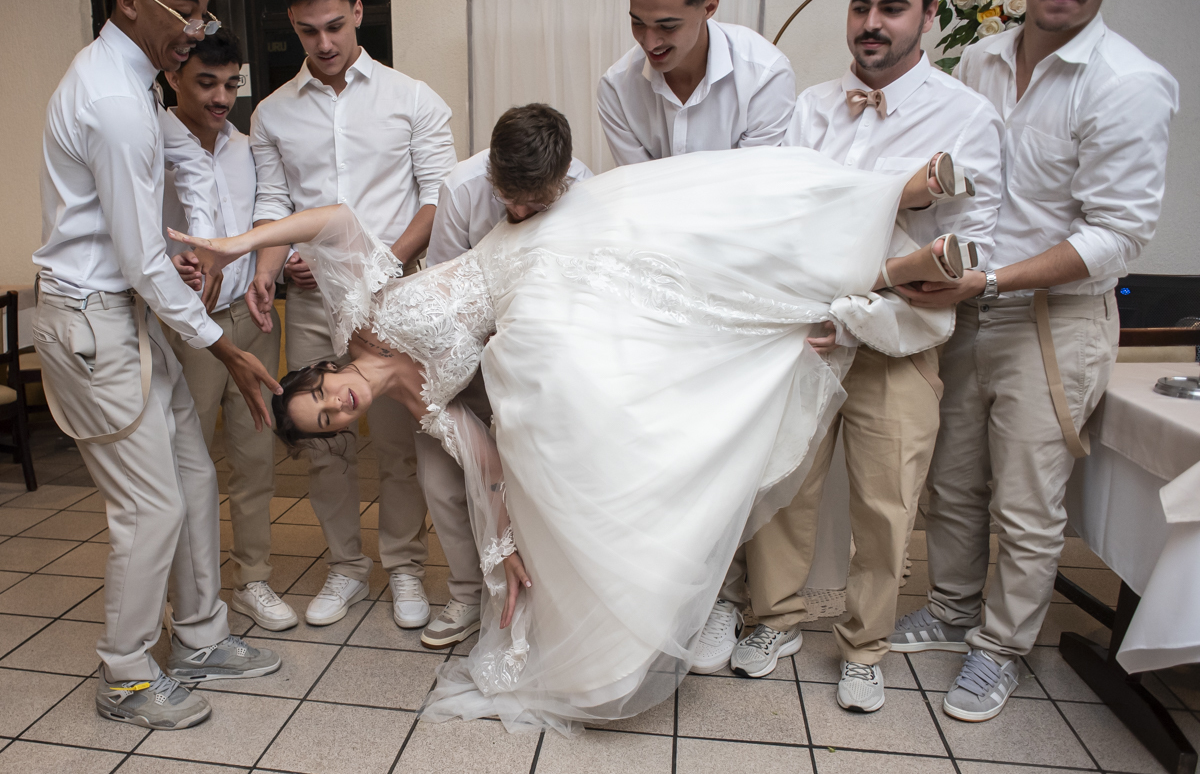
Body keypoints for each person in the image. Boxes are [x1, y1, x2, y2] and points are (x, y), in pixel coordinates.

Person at [178, 145, 976, 735]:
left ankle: (900, 195)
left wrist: (238, 246)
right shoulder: (427, 401)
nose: (338, 406)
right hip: (540, 309)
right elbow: (484, 467)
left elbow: (335, 221)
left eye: (319, 394)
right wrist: (506, 555)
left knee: (699, 233)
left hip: (534, 252)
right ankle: (891, 275)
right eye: (331, 421)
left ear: (318, 369)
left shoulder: (364, 310)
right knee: (681, 329)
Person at [887, 0, 1178, 722]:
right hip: (963, 304)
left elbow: (1119, 233)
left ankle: (1002, 644)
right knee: (950, 480)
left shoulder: (1128, 83)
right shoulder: (980, 58)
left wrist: (988, 282)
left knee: (1026, 496)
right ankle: (950, 607)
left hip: (1053, 316)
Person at [721, 0, 1003, 712]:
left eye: (892, 8)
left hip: (900, 342)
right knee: (783, 484)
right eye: (861, 6)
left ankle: (864, 645)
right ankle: (774, 617)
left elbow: (970, 249)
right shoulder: (810, 108)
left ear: (929, 14)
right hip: (807, 335)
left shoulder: (967, 116)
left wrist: (864, 270)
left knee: (887, 503)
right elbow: (780, 220)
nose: (872, 23)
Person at [32, 0, 281, 731]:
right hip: (95, 320)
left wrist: (166, 283)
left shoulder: (132, 85)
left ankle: (200, 635)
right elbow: (138, 257)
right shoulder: (114, 101)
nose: (199, 28)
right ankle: (128, 673)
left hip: (128, 311)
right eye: (188, 10)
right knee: (150, 505)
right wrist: (226, 349)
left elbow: (133, 248)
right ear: (130, 1)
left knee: (192, 474)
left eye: (205, 11)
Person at [244, 0, 457, 629]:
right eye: (308, 30)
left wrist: (383, 263)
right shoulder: (272, 113)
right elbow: (275, 205)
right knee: (322, 439)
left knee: (398, 442)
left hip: (393, 298)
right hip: (311, 304)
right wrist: (270, 267)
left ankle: (404, 568)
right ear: (292, 23)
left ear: (359, 11)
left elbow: (439, 195)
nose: (324, 41)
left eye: (335, 25)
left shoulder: (412, 98)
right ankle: (345, 568)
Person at [418, 104, 593, 650]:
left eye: (533, 202)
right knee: (443, 476)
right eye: (506, 196)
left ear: (560, 181)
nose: (516, 210)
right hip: (468, 353)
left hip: (547, 362)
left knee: (534, 482)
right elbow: (444, 286)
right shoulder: (461, 187)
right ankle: (468, 592)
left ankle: (543, 594)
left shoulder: (588, 191)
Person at [158, 27, 297, 631]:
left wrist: (265, 273)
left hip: (252, 316)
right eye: (206, 83)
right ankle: (189, 591)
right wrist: (176, 265)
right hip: (187, 328)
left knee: (254, 454)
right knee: (186, 463)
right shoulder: (150, 143)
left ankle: (253, 580)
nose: (221, 98)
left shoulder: (245, 148)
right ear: (173, 79)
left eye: (231, 84)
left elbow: (273, 218)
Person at [597, 0, 795, 166]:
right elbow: (639, 186)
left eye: (668, 26)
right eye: (638, 23)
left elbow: (751, 183)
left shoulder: (766, 76)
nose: (650, 43)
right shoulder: (616, 88)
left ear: (709, 7)